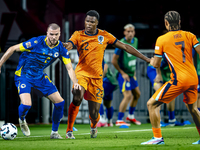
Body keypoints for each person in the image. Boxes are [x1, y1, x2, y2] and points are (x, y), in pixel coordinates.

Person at [63, 10, 150, 139]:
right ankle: (69, 130)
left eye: (92, 22)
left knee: (94, 113)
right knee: (77, 95)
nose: (88, 24)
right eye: (87, 21)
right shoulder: (78, 35)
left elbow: (125, 47)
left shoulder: (104, 36)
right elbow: (70, 44)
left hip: (98, 78)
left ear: (97, 23)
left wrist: (147, 59)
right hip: (82, 73)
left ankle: (94, 125)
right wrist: (66, 46)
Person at [0, 23, 81, 139]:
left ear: (59, 34)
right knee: (27, 104)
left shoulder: (61, 49)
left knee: (60, 102)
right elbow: (12, 48)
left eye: (56, 34)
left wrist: (75, 82)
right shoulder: (36, 42)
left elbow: (69, 68)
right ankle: (22, 119)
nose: (53, 37)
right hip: (24, 75)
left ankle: (54, 133)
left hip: (39, 77)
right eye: (51, 34)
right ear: (47, 34)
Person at [141, 11, 200, 145]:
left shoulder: (161, 39)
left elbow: (156, 64)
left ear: (166, 23)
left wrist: (151, 61)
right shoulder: (190, 35)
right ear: (180, 22)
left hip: (179, 80)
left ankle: (157, 138)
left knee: (152, 104)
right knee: (194, 109)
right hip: (193, 78)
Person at [112, 24, 141, 126]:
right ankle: (119, 119)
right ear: (124, 32)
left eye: (132, 31)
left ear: (134, 32)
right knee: (128, 95)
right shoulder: (121, 43)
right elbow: (114, 61)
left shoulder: (136, 41)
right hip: (123, 74)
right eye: (128, 31)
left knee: (137, 94)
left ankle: (130, 117)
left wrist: (134, 72)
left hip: (132, 74)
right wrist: (122, 73)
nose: (130, 33)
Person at [97, 60, 118, 127]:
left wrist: (100, 78)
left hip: (106, 82)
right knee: (107, 103)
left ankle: (101, 119)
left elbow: (105, 66)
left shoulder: (98, 55)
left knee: (98, 98)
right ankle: (109, 121)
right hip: (111, 82)